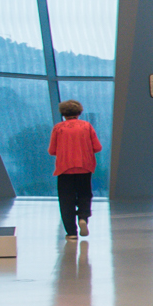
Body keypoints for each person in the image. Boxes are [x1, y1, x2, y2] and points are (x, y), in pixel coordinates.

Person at [48, 100, 102, 239]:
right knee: (85, 194)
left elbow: (52, 150)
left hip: (64, 168)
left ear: (63, 113)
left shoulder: (58, 128)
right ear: (79, 112)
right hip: (85, 166)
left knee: (66, 199)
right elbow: (97, 147)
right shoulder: (86, 126)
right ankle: (83, 217)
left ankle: (71, 232)